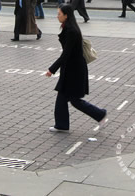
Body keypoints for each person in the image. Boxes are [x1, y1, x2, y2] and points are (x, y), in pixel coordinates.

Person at [45, 4, 107, 132]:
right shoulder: (68, 28)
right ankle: (62, 124)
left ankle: (100, 114)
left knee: (74, 100)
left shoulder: (71, 31)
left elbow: (66, 54)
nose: (57, 16)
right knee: (63, 97)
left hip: (75, 70)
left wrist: (52, 69)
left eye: (59, 14)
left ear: (66, 15)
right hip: (71, 68)